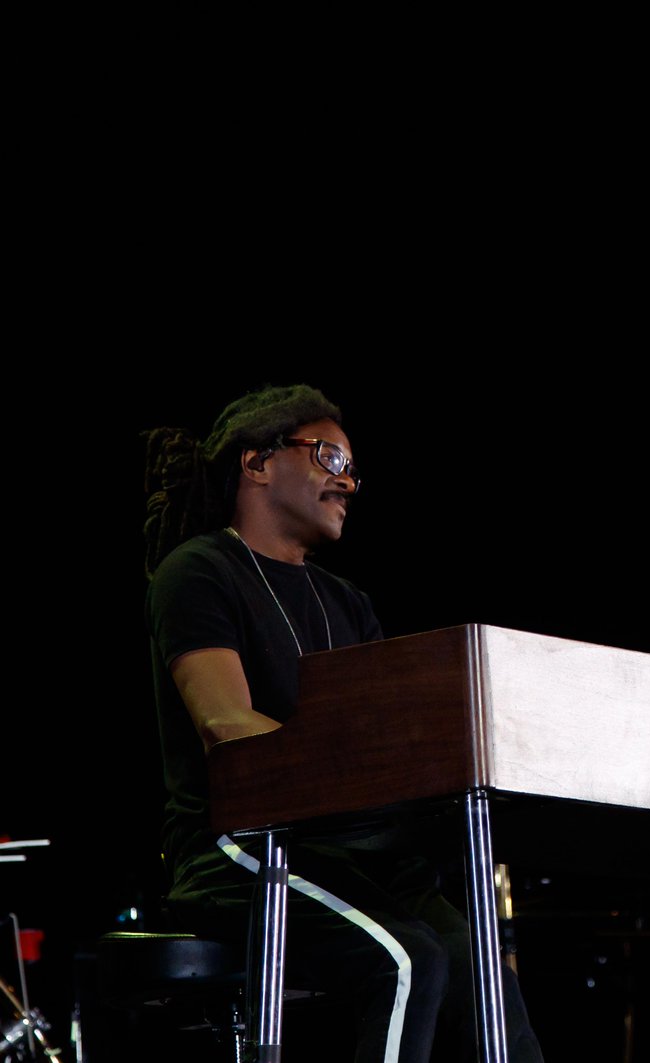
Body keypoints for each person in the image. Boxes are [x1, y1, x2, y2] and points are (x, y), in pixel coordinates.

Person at [143, 384, 543, 1063]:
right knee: (408, 962)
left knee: (484, 977)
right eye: (329, 456)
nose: (348, 480)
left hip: (356, 849)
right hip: (240, 849)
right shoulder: (200, 571)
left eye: (353, 466)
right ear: (257, 462)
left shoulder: (348, 602)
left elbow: (380, 743)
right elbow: (224, 723)